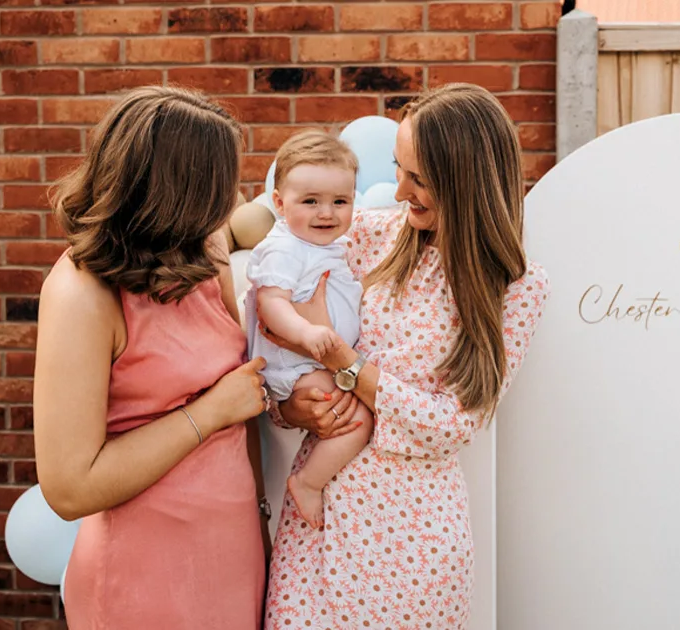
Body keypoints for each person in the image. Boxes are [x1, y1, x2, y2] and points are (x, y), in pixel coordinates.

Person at [261, 83, 551, 628]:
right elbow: (281, 328)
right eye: (398, 168)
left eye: (417, 178)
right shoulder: (365, 237)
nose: (398, 191)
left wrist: (349, 365)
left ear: (464, 179)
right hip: (319, 521)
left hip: (414, 543)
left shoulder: (516, 289)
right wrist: (291, 409)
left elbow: (453, 425)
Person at [32, 85, 270, 630]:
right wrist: (211, 411)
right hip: (142, 573)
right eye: (220, 184)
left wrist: (262, 522)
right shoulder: (82, 293)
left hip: (232, 552)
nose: (231, 198)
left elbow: (244, 399)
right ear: (178, 191)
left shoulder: (205, 254)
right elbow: (70, 487)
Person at [244, 130, 374, 530]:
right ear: (280, 203)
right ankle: (308, 482)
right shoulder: (285, 248)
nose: (326, 213)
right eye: (311, 201)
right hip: (296, 363)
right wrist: (306, 333)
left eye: (340, 201)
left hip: (314, 358)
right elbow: (271, 302)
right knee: (359, 420)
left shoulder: (324, 244)